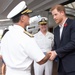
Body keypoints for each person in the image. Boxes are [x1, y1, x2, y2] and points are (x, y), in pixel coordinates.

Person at [0, 1, 50, 75]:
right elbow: (41, 60)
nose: (29, 17)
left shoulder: (6, 36)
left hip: (9, 72)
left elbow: (1, 55)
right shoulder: (26, 37)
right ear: (22, 18)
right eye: (27, 15)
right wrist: (49, 54)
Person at [49, 4, 75, 75]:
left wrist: (56, 52)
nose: (54, 17)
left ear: (62, 13)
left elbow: (73, 43)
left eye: (55, 14)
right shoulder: (56, 29)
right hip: (60, 68)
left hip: (72, 67)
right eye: (53, 15)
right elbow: (56, 45)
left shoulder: (73, 24)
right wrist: (51, 53)